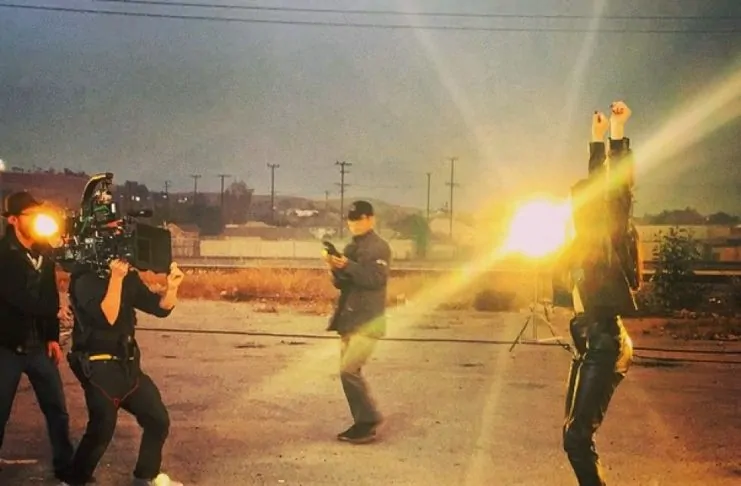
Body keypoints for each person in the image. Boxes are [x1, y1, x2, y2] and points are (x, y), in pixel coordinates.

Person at [553, 101, 641, 486]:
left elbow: (619, 192)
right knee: (572, 434)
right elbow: (595, 183)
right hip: (589, 343)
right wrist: (595, 137)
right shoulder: (582, 245)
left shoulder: (609, 244)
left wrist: (618, 134)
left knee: (576, 438)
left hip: (606, 342)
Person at [59, 258, 185, 486]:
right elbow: (108, 317)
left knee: (157, 419)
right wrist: (116, 279)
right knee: (101, 429)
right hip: (98, 367)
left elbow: (160, 309)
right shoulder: (84, 279)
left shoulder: (129, 278)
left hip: (128, 367)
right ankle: (74, 481)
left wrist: (172, 287)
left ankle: (145, 476)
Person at [0, 191, 75, 481]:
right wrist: (52, 311)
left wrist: (52, 337)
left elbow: (49, 294)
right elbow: (15, 297)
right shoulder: (3, 255)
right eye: (30, 215)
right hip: (6, 347)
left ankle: (66, 467)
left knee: (57, 410)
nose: (36, 219)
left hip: (38, 348)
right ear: (13, 220)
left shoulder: (43, 252)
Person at [324, 200, 391, 444]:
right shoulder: (351, 247)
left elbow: (375, 279)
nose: (354, 224)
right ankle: (363, 422)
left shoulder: (379, 247)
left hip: (368, 320)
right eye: (351, 220)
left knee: (348, 371)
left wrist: (348, 265)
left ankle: (368, 421)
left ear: (371, 219)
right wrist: (334, 267)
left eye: (359, 219)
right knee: (349, 373)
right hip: (349, 319)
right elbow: (342, 283)